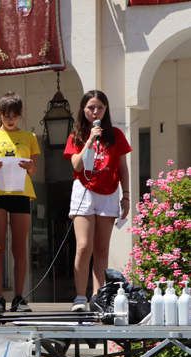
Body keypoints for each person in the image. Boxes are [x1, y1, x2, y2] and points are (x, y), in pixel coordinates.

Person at [63, 90, 131, 312]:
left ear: (106, 109)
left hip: (109, 192)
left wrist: (127, 195)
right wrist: (90, 140)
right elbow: (76, 165)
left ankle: (98, 298)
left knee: (102, 249)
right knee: (84, 246)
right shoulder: (77, 135)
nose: (95, 111)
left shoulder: (116, 135)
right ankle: (80, 297)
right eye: (91, 107)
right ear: (83, 110)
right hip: (84, 191)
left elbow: (122, 167)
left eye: (100, 107)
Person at [0, 92, 40, 314]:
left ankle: (19, 297)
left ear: (20, 115)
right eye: (6, 115)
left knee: (19, 247)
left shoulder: (29, 137)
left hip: (21, 193)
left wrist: (27, 167)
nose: (10, 119)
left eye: (14, 115)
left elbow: (34, 169)